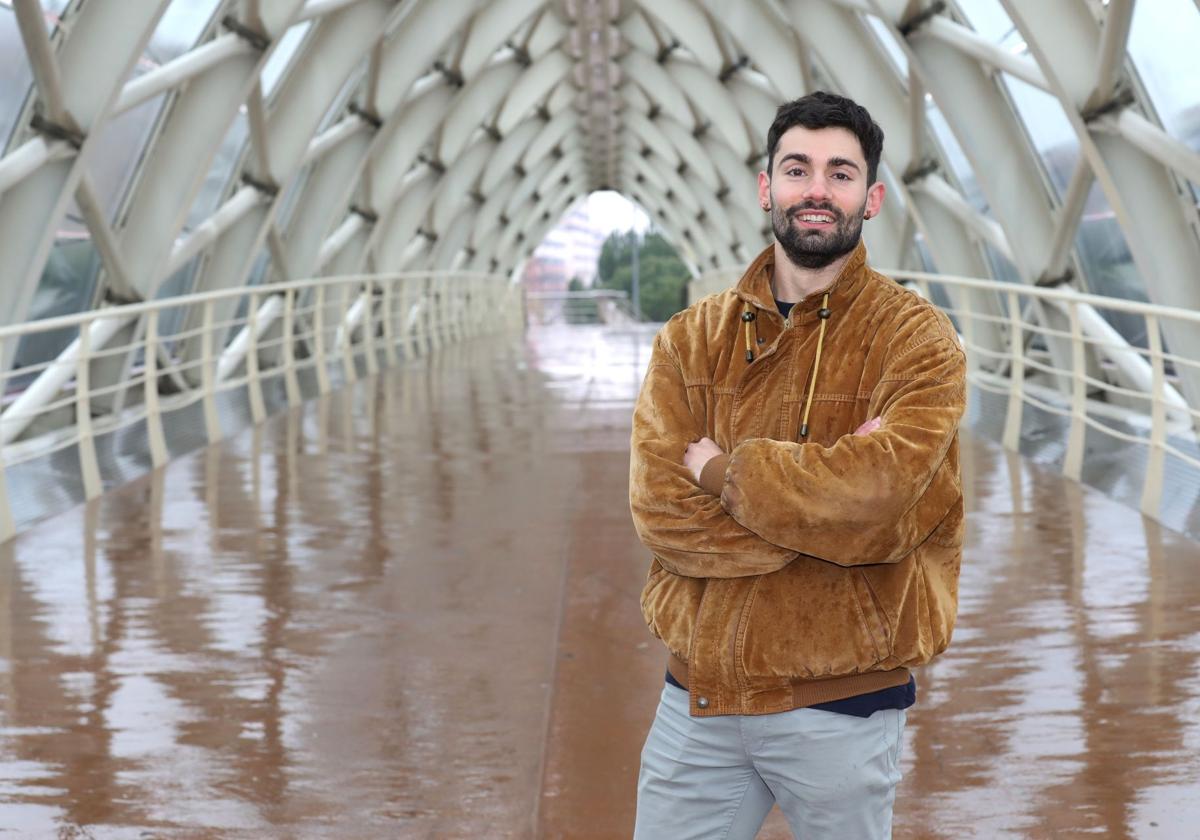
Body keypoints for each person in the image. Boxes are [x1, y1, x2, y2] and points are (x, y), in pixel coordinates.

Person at [628, 91, 967, 839]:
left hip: (841, 709)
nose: (818, 190)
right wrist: (829, 510)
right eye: (798, 169)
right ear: (766, 187)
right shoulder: (691, 340)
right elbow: (659, 512)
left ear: (871, 198)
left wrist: (722, 476)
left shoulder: (917, 341)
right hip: (700, 700)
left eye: (840, 173)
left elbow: (876, 499)